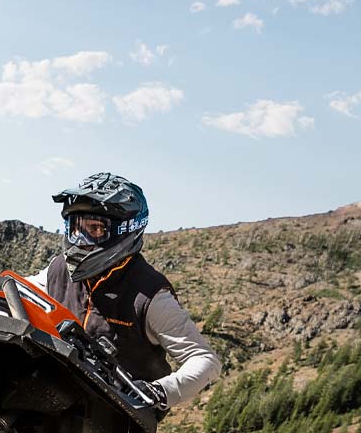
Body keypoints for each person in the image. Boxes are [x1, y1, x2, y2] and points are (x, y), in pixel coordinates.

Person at [27, 172, 220, 411]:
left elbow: (205, 360)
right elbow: (17, 292)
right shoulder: (58, 270)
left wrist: (158, 391)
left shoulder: (149, 296)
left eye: (95, 229)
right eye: (76, 228)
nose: (81, 241)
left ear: (126, 230)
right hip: (53, 398)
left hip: (115, 416)